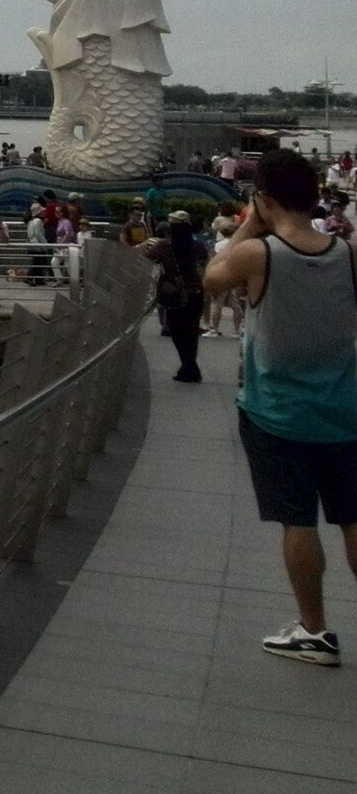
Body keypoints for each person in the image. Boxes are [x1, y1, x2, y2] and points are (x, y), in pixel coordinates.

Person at [202, 150, 357, 664]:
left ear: (264, 200)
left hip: (278, 415)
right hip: (346, 411)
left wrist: (249, 223)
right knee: (353, 518)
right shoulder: (349, 252)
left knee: (299, 521)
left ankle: (314, 631)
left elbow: (212, 277)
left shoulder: (258, 254)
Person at [143, 210, 206, 381]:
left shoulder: (164, 246)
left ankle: (188, 367)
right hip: (196, 293)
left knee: (177, 330)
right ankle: (189, 367)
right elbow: (204, 265)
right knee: (192, 332)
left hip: (176, 294)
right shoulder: (197, 245)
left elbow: (144, 258)